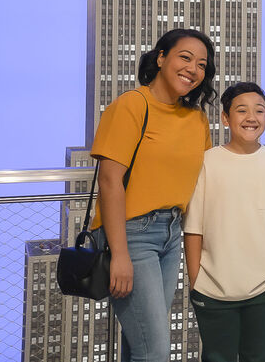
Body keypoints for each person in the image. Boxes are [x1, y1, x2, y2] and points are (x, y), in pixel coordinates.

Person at [91, 29, 216, 362]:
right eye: (185, 57)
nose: (193, 69)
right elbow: (109, 181)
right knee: (155, 351)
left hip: (172, 234)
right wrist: (119, 253)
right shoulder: (133, 105)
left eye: (202, 65)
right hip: (131, 233)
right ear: (161, 58)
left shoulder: (197, 119)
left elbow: (205, 181)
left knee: (141, 345)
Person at [184, 82, 265, 362]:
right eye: (242, 110)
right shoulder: (206, 162)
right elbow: (193, 229)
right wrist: (195, 281)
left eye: (259, 111)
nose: (252, 117)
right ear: (226, 118)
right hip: (213, 289)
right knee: (216, 358)